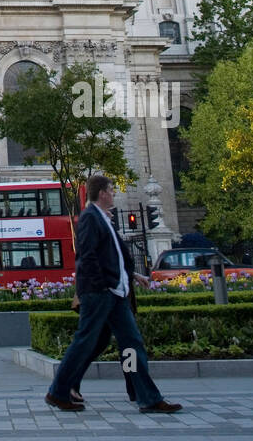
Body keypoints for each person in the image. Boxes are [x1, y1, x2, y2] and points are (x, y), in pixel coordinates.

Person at [46, 176, 181, 414]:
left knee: (130, 343)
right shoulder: (90, 217)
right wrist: (103, 286)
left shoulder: (104, 219)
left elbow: (114, 256)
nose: (114, 193)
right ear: (101, 193)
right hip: (101, 293)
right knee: (85, 342)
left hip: (116, 293)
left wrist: (132, 275)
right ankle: (58, 391)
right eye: (111, 189)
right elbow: (86, 256)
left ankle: (146, 395)